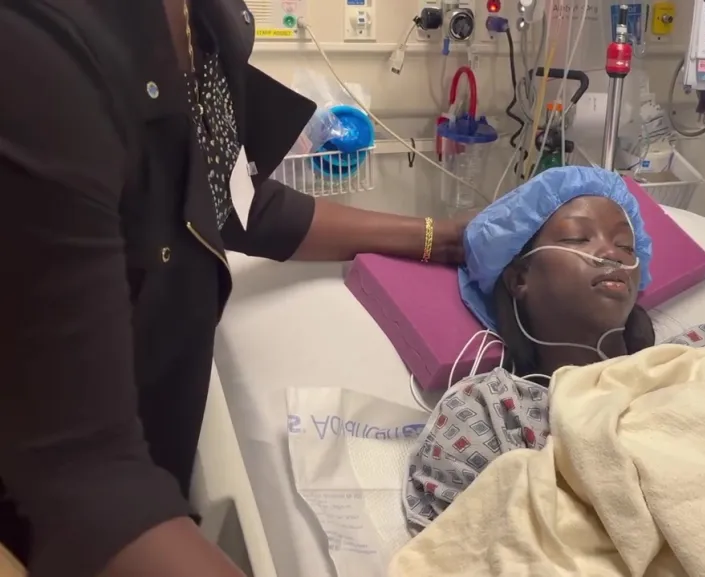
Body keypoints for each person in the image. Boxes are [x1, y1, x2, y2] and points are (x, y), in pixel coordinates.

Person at [0, 2, 468, 576]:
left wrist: (440, 239)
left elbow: (237, 201)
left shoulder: (209, 26)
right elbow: (84, 485)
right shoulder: (37, 49)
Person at [402, 167, 705, 530]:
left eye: (626, 245)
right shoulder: (496, 414)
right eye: (578, 238)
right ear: (520, 278)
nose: (611, 254)